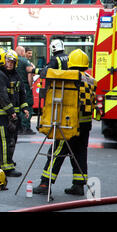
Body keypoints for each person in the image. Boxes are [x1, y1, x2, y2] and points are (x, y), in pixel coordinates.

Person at [33, 49, 96, 196]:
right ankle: (78, 185)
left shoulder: (69, 76)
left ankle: (44, 183)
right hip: (85, 125)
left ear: (70, 63)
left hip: (68, 124)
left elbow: (48, 74)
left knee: (56, 153)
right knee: (80, 154)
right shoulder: (90, 79)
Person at [0, 48, 26, 177]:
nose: (10, 64)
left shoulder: (15, 75)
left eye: (12, 62)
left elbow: (21, 92)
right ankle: (7, 167)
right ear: (4, 61)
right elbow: (2, 95)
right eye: (8, 61)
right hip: (0, 115)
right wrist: (11, 111)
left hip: (7, 114)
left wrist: (24, 107)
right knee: (5, 140)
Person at [15, 46, 35, 135]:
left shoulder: (12, 60)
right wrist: (31, 85)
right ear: (23, 52)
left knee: (18, 107)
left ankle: (19, 127)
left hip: (15, 87)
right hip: (24, 87)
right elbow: (30, 74)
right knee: (28, 105)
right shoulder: (24, 61)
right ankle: (26, 127)